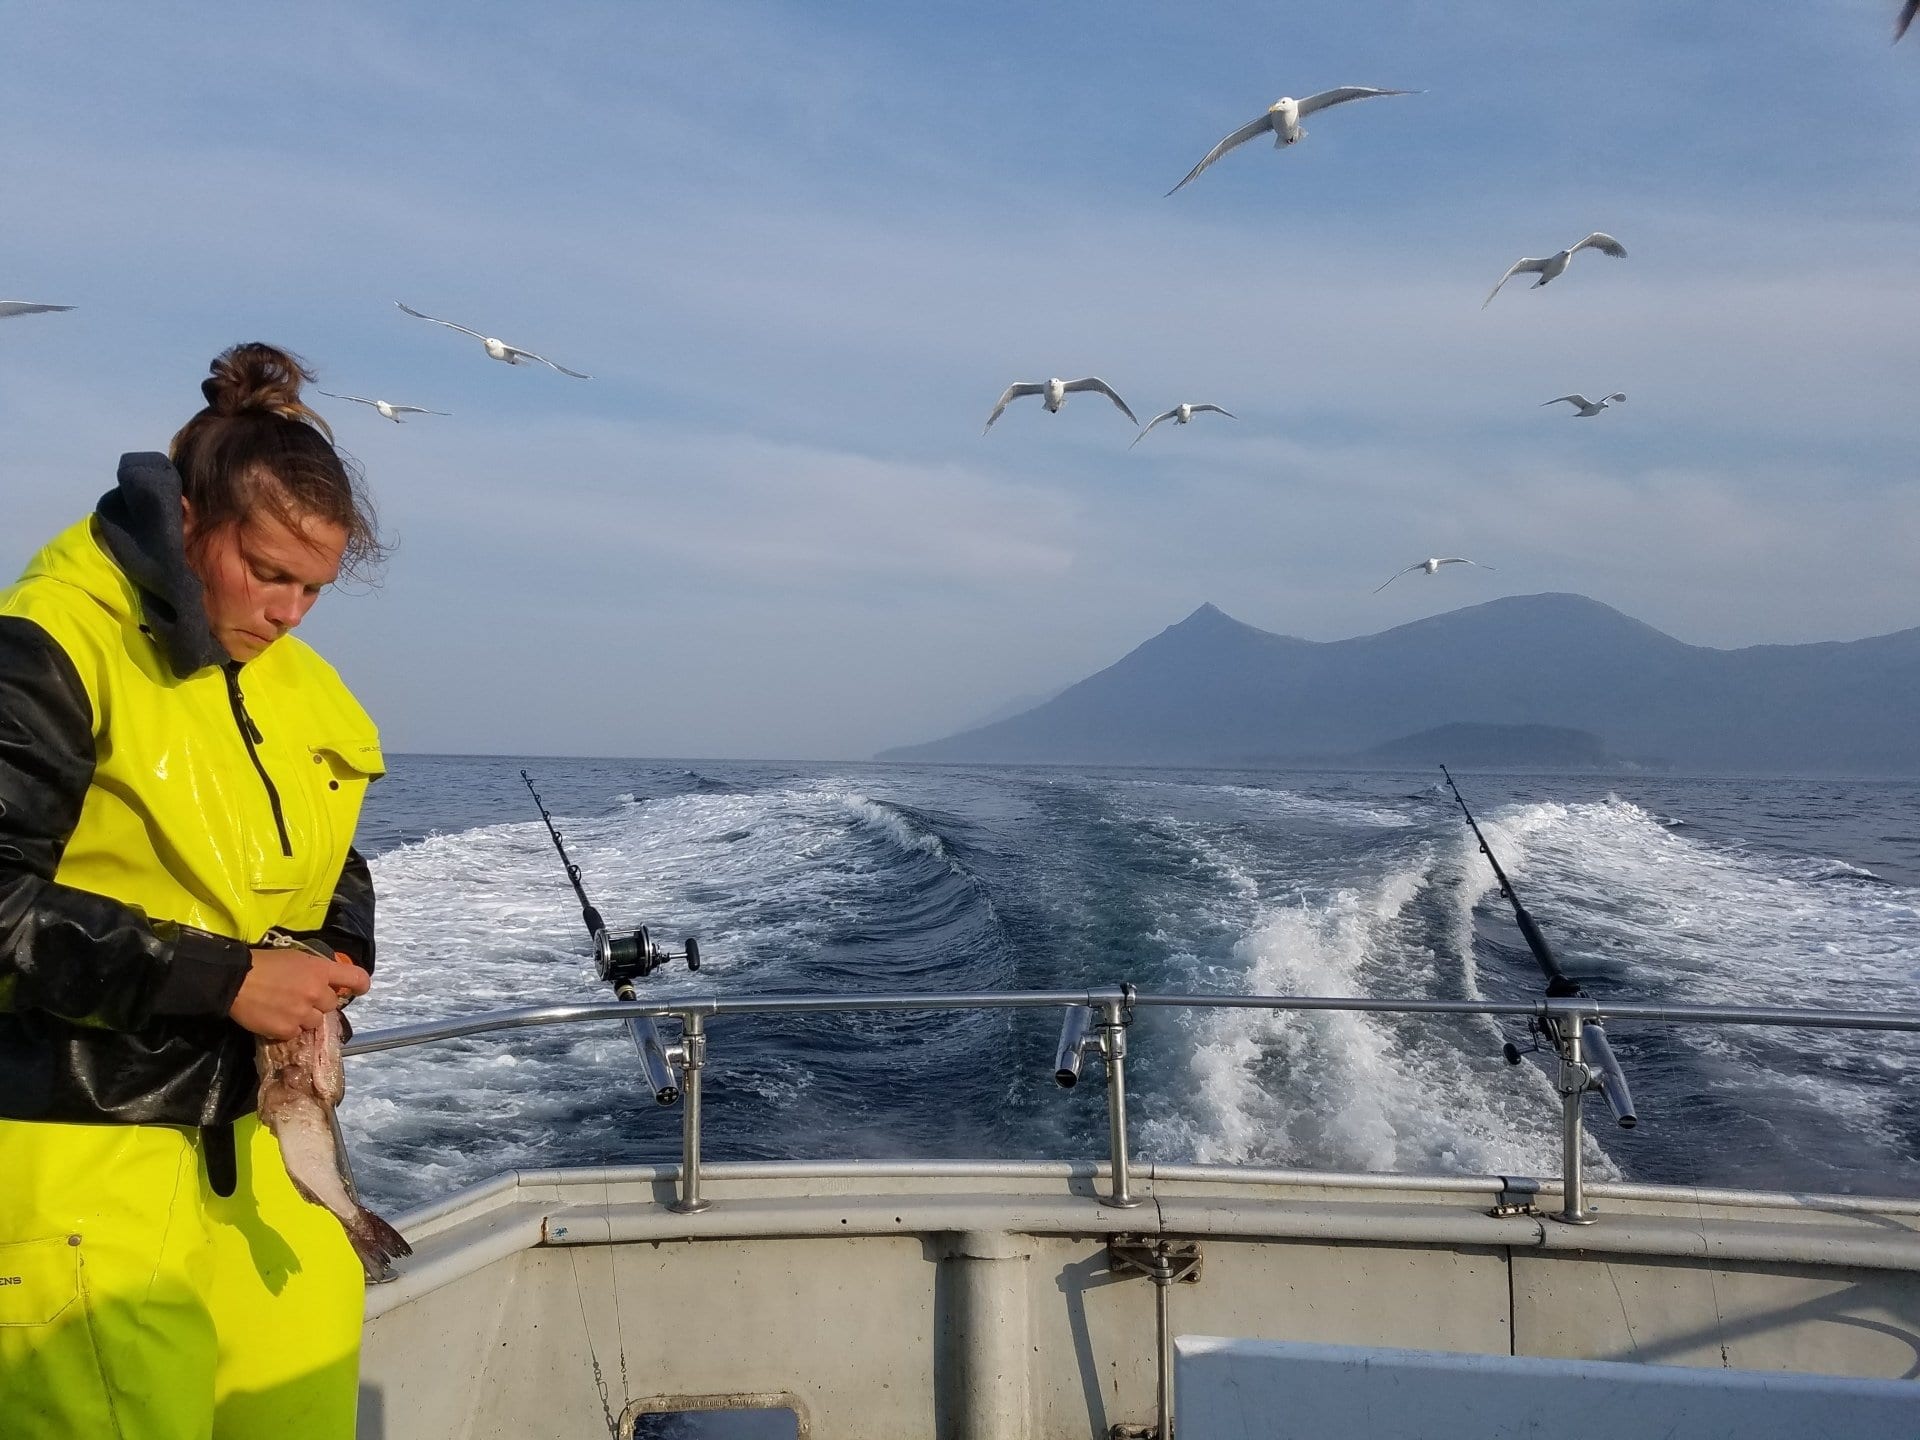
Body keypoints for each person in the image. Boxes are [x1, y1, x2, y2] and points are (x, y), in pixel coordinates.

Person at [0, 343, 388, 1439]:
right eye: (269, 572)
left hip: (265, 1161)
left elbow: (333, 852)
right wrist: (224, 979)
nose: (291, 613)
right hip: (85, 1165)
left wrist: (338, 948)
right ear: (184, 522)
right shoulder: (49, 643)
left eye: (315, 588)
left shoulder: (295, 680)